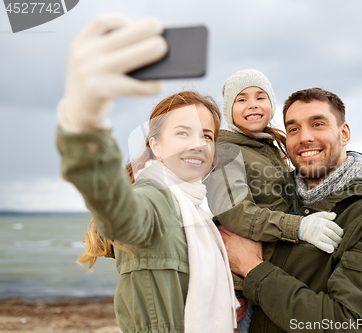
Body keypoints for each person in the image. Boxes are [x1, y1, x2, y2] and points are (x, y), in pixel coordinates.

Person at [56, 16, 240, 333]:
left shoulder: (198, 208)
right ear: (155, 144)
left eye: (207, 136)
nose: (198, 144)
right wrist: (84, 121)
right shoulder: (155, 200)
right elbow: (117, 209)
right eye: (183, 133)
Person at [219, 88, 362, 333]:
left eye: (318, 124)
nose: (304, 137)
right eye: (293, 129)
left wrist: (252, 268)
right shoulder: (270, 195)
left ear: (344, 133)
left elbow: (346, 324)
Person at [206, 70, 344, 333]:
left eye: (260, 96)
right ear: (228, 110)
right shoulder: (226, 151)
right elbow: (234, 212)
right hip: (239, 287)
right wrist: (300, 227)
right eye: (242, 99)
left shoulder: (269, 148)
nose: (253, 104)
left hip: (267, 274)